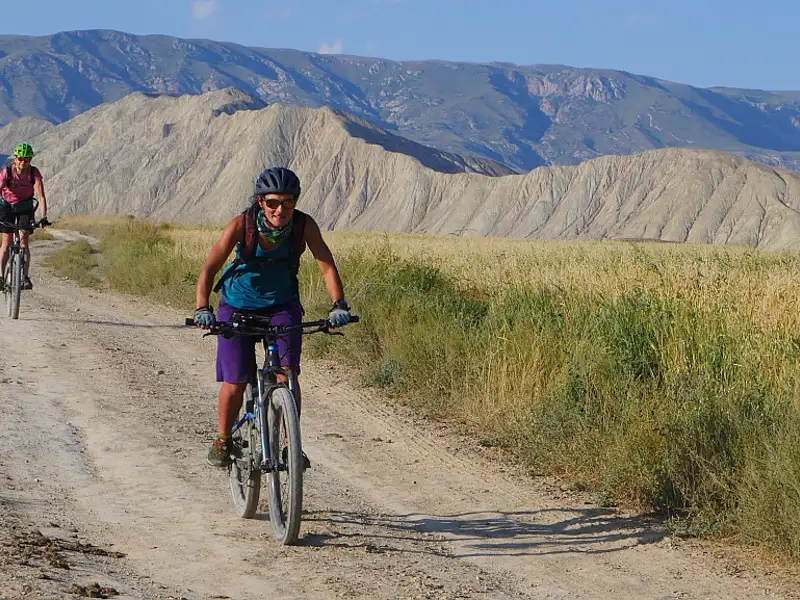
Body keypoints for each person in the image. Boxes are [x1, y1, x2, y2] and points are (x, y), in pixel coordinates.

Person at [194, 166, 351, 468]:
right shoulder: (242, 225)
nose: (281, 209)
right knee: (235, 382)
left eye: (288, 202)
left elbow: (327, 267)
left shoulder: (304, 226)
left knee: (287, 375)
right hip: (237, 306)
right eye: (273, 203)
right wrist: (203, 308)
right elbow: (209, 269)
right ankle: (223, 439)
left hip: (282, 306)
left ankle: (290, 446)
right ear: (260, 202)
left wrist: (338, 305)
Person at [0, 143, 49, 291]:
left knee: (24, 240)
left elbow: (41, 197)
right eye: (20, 159)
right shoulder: (7, 172)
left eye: (27, 159)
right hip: (7, 206)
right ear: (15, 158)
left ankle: (25, 277)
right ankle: (1, 277)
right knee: (6, 242)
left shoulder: (34, 173)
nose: (23, 162)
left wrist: (44, 216)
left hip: (25, 207)